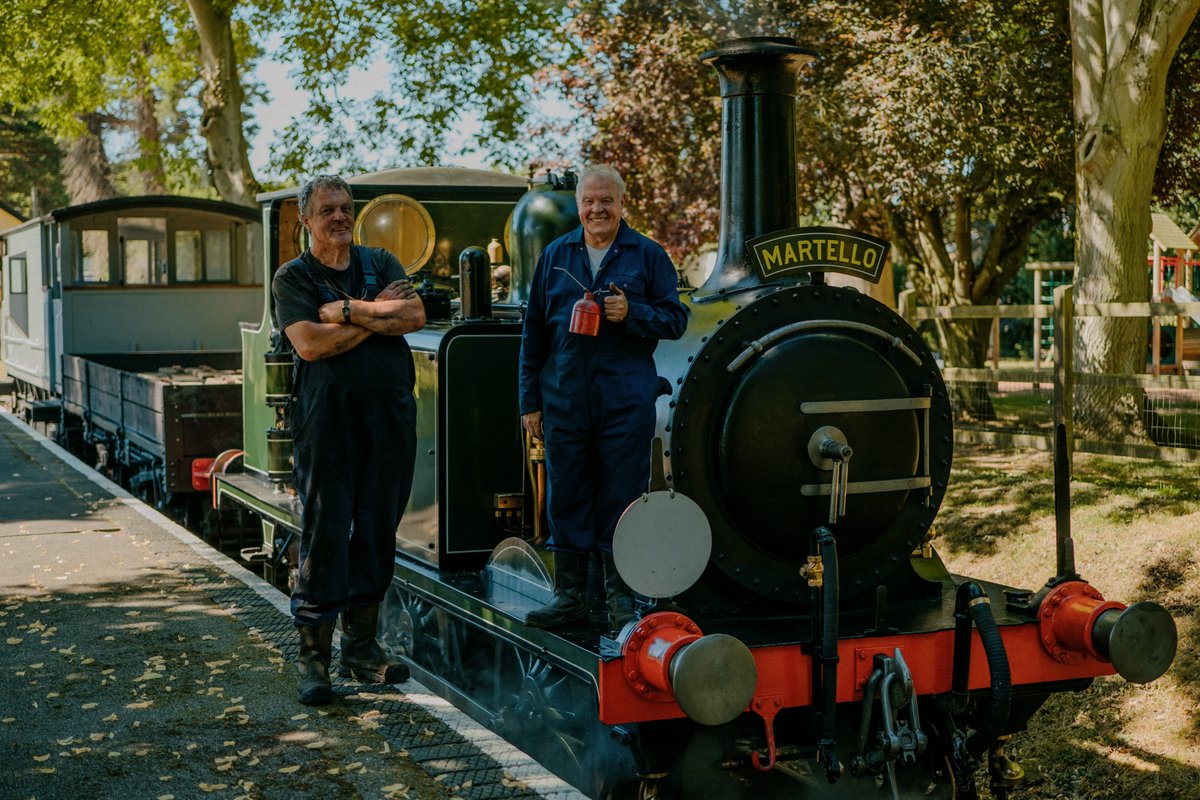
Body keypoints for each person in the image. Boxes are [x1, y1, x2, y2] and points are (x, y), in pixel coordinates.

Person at [272, 175, 426, 705]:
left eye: (346, 208)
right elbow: (310, 345)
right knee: (327, 529)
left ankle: (362, 649)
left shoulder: (380, 263)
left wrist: (345, 312)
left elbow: (414, 315)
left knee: (378, 529)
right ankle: (313, 659)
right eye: (328, 210)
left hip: (389, 419)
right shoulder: (293, 277)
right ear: (308, 220)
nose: (339, 217)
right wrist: (376, 316)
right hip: (327, 422)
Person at [518, 165, 688, 631]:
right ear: (578, 206)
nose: (597, 209)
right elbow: (533, 334)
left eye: (606, 201)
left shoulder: (648, 255)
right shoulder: (554, 256)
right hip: (564, 400)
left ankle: (619, 603)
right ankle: (570, 598)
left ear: (621, 203)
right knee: (566, 495)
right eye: (589, 201)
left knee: (621, 498)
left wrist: (633, 312)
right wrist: (529, 402)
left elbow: (675, 320)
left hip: (624, 400)